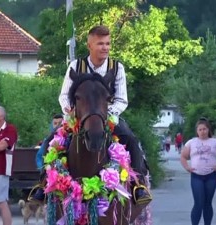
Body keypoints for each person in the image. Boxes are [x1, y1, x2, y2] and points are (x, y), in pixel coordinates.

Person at [58, 25, 151, 204]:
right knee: (51, 140)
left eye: (108, 44)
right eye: (100, 44)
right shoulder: (76, 65)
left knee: (130, 138)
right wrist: (69, 111)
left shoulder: (117, 68)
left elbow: (122, 99)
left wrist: (106, 115)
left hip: (107, 116)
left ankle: (139, 186)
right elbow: (64, 95)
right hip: (78, 116)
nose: (105, 48)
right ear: (90, 45)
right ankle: (41, 184)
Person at [180, 118, 216, 225]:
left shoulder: (215, 142)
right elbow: (183, 157)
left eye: (204, 129)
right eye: (200, 129)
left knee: (207, 203)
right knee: (198, 203)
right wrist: (187, 167)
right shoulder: (191, 142)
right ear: (197, 131)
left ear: (208, 129)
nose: (202, 131)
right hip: (196, 176)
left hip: (211, 176)